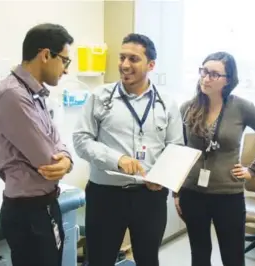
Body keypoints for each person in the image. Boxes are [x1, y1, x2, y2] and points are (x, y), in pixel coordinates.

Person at [73, 33, 184, 266]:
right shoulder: (100, 97)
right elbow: (81, 140)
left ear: (151, 65)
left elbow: (176, 147)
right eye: (122, 57)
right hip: (106, 195)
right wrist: (117, 158)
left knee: (147, 259)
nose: (124, 65)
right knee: (99, 260)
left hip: (150, 196)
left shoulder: (167, 103)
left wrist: (163, 178)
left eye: (133, 59)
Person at [174, 51, 255, 266]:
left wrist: (253, 169)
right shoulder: (188, 108)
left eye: (214, 74)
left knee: (233, 257)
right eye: (203, 71)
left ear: (229, 80)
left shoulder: (241, 107)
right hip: (192, 193)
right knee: (199, 255)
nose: (206, 78)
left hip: (227, 195)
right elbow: (179, 151)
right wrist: (175, 192)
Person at [0, 23, 74, 266]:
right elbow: (48, 159)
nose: (66, 70)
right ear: (46, 55)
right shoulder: (12, 95)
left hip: (44, 205)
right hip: (28, 213)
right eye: (65, 61)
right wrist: (64, 160)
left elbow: (57, 139)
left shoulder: (35, 94)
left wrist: (66, 159)